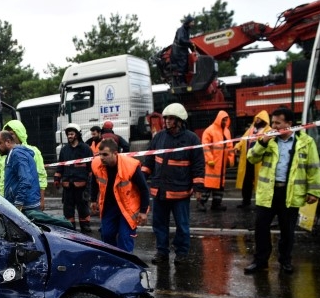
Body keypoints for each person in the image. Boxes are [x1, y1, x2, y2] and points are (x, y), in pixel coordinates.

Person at [244, 107, 320, 274]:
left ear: (289, 124)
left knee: (287, 231)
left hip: (290, 193)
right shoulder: (268, 140)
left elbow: (314, 168)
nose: (273, 126)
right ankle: (260, 261)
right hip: (268, 193)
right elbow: (251, 158)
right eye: (272, 122)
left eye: (278, 123)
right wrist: (262, 142)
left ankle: (285, 262)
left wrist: (314, 192)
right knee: (261, 229)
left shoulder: (305, 142)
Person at [142, 103, 205, 264]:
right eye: (166, 118)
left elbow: (198, 165)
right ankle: (162, 252)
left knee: (182, 226)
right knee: (159, 224)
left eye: (171, 118)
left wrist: (198, 188)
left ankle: (182, 253)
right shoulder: (159, 137)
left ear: (180, 120)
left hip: (180, 192)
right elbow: (149, 160)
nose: (167, 121)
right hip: (160, 191)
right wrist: (141, 178)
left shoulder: (191, 139)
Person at [90, 138, 150, 252]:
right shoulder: (96, 163)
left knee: (125, 237)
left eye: (105, 154)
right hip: (109, 207)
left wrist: (143, 212)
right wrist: (93, 200)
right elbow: (94, 182)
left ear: (115, 153)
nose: (101, 157)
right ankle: (112, 261)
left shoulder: (130, 166)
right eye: (99, 154)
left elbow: (144, 189)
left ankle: (126, 266)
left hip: (127, 208)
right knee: (106, 235)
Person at [0, 120, 48, 209]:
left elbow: (34, 178)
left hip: (24, 203)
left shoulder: (20, 154)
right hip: (7, 200)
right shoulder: (4, 153)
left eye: (12, 134)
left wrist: (19, 203)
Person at [54, 123, 93, 232]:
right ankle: (70, 228)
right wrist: (57, 178)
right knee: (68, 209)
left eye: (72, 134)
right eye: (68, 134)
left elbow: (91, 169)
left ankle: (85, 226)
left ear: (77, 134)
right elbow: (60, 166)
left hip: (81, 185)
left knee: (83, 208)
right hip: (67, 185)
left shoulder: (86, 149)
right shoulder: (64, 150)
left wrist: (89, 186)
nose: (69, 136)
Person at [199, 110, 235, 211]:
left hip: (221, 164)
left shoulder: (226, 131)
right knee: (208, 185)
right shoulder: (210, 130)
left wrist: (231, 159)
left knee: (219, 185)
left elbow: (230, 146)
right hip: (212, 164)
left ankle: (216, 204)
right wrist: (209, 159)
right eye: (223, 120)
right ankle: (201, 202)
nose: (224, 122)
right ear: (218, 119)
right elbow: (206, 147)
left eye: (226, 120)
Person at [234, 110, 270, 209]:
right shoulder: (251, 129)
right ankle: (246, 201)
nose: (257, 119)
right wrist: (237, 146)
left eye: (259, 118)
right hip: (248, 160)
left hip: (259, 161)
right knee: (247, 181)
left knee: (260, 182)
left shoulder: (268, 130)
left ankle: (260, 203)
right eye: (256, 118)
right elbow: (243, 139)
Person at [171, 16, 196, 86]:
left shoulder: (187, 30)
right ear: (188, 22)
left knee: (187, 63)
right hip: (178, 51)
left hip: (183, 49)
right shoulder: (181, 30)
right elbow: (181, 40)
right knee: (182, 65)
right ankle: (182, 82)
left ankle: (187, 80)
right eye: (192, 22)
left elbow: (187, 41)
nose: (193, 24)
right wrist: (190, 42)